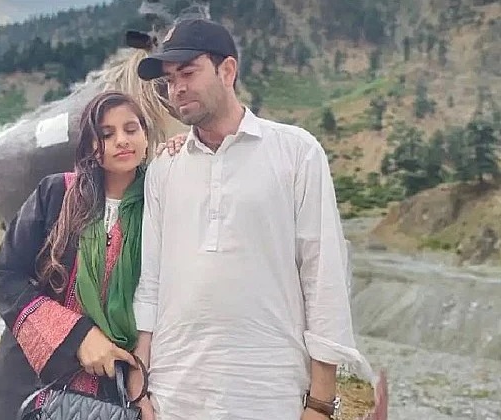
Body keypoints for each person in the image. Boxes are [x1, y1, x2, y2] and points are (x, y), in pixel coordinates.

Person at [128, 18, 375, 420]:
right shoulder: (164, 169)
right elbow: (150, 283)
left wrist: (320, 402)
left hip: (268, 393)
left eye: (188, 73)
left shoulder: (296, 152)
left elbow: (323, 275)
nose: (177, 89)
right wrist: (140, 387)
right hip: (174, 395)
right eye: (170, 80)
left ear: (227, 71)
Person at [0, 90, 183, 419]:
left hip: (116, 389)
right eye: (107, 134)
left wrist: (184, 151)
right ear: (90, 146)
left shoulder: (159, 204)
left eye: (131, 129)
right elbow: (8, 277)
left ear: (146, 137)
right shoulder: (56, 195)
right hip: (33, 382)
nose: (121, 140)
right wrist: (78, 337)